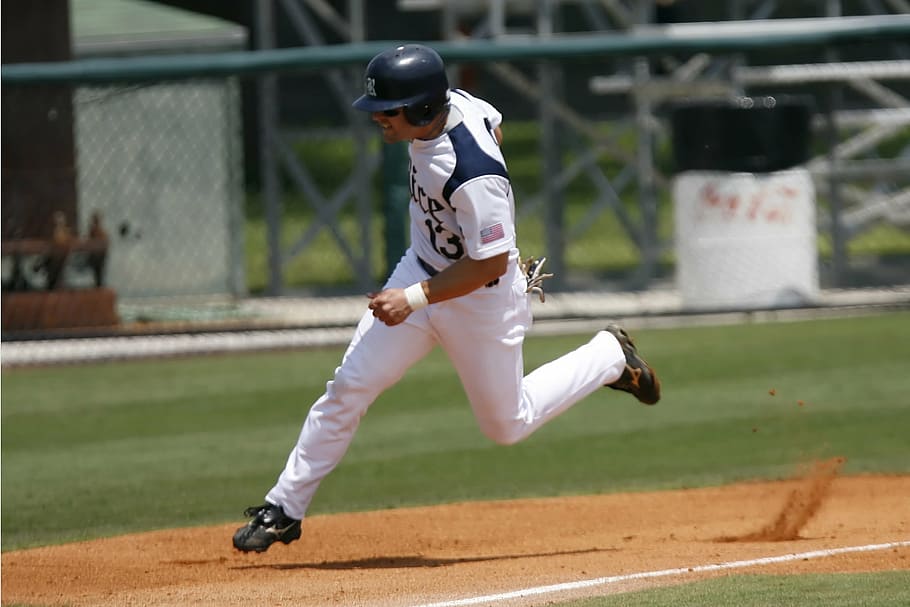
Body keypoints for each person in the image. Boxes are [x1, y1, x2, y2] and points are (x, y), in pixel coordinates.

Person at [233, 44, 661, 553]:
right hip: (422, 270)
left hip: (482, 298)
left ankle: (608, 355)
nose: (379, 121)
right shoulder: (454, 104)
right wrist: (422, 285)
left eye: (387, 111)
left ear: (420, 110)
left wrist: (413, 297)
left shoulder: (474, 173)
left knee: (507, 424)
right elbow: (494, 121)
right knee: (350, 386)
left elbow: (490, 263)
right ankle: (285, 507)